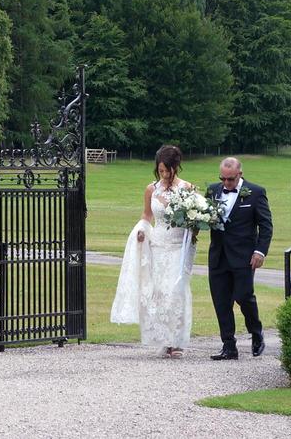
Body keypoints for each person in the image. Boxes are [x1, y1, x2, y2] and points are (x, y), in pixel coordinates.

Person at [109, 145, 196, 357]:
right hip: (158, 244)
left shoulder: (187, 188)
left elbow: (193, 218)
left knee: (175, 290)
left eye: (167, 170)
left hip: (178, 246)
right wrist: (142, 230)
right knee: (158, 291)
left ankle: (177, 341)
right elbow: (147, 215)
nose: (164, 174)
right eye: (160, 170)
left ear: (176, 167)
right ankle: (165, 339)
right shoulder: (151, 189)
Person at [207, 156, 272, 359]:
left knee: (244, 297)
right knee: (221, 301)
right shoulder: (212, 191)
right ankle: (229, 346)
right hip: (218, 255)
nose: (226, 183)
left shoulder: (256, 192)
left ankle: (256, 332)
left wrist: (260, 251)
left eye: (231, 179)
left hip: (244, 256)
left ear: (240, 174)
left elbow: (266, 226)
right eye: (223, 179)